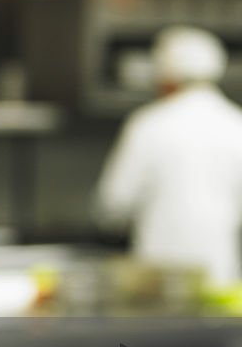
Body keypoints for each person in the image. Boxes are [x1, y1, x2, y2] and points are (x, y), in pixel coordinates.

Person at [96, 25, 242, 286]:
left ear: (166, 79)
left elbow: (112, 204)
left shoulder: (147, 125)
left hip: (156, 276)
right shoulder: (236, 124)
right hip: (220, 274)